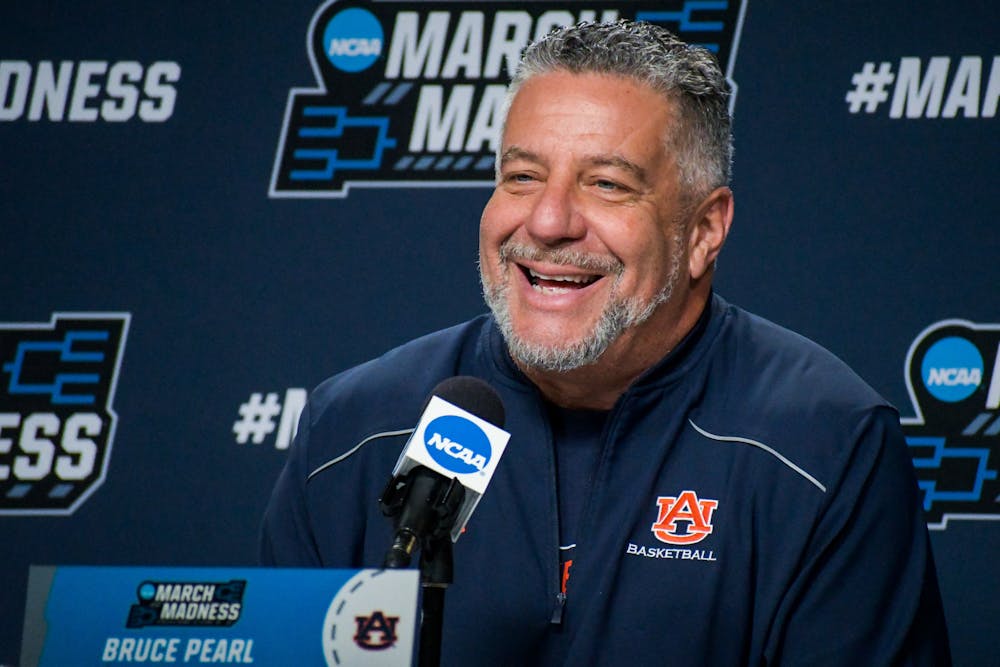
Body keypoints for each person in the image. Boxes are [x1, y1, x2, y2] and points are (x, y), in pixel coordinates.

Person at [261, 20, 951, 665]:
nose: (550, 219)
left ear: (704, 230)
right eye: (523, 176)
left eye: (607, 184)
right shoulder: (353, 429)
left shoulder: (824, 445)